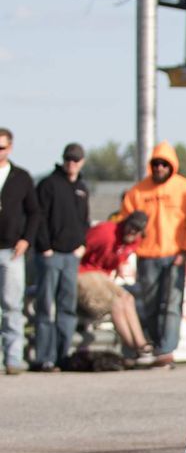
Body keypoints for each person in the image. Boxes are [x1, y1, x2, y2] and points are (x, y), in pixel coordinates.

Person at [121, 142, 186, 367]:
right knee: (149, 304)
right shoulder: (138, 191)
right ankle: (154, 345)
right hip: (147, 256)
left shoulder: (185, 189)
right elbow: (125, 222)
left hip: (174, 255)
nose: (159, 168)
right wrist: (130, 246)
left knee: (171, 304)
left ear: (172, 166)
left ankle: (167, 350)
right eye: (156, 163)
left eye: (164, 164)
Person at [33, 143, 90, 372]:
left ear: (82, 161)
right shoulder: (48, 184)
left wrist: (83, 244)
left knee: (67, 308)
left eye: (76, 160)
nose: (71, 163)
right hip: (51, 254)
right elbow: (38, 217)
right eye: (68, 159)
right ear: (63, 159)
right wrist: (44, 247)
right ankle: (45, 358)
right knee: (46, 307)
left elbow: (85, 220)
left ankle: (62, 356)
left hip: (71, 255)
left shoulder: (82, 187)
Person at [77, 212, 153, 365]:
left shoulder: (135, 240)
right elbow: (79, 249)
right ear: (125, 223)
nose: (133, 232)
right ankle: (132, 348)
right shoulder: (104, 232)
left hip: (101, 274)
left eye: (137, 230)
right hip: (83, 271)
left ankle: (142, 345)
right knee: (116, 303)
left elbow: (118, 256)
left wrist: (117, 264)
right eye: (131, 227)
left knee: (127, 298)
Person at [0, 127, 40, 375]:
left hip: (11, 251)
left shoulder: (21, 177)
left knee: (12, 306)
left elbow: (35, 212)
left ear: (10, 148)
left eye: (1, 147)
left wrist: (26, 239)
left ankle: (13, 358)